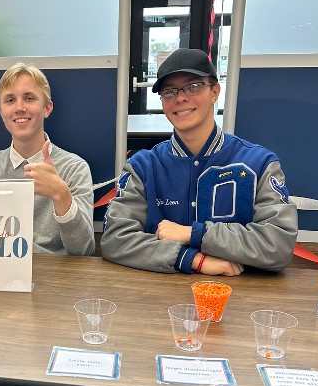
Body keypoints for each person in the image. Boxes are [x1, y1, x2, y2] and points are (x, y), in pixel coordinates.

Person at [0, 62, 95, 386]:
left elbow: (83, 251)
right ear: (0, 111)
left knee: (61, 385)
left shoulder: (74, 168)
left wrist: (62, 198)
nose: (20, 107)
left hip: (56, 289)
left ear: (46, 108)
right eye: (10, 99)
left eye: (30, 98)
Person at [101, 48, 298, 276]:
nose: (180, 97)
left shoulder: (259, 163)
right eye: (169, 91)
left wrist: (194, 234)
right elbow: (115, 239)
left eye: (193, 86)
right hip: (156, 298)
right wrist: (192, 259)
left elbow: (278, 246)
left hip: (240, 297)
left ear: (215, 92)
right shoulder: (143, 166)